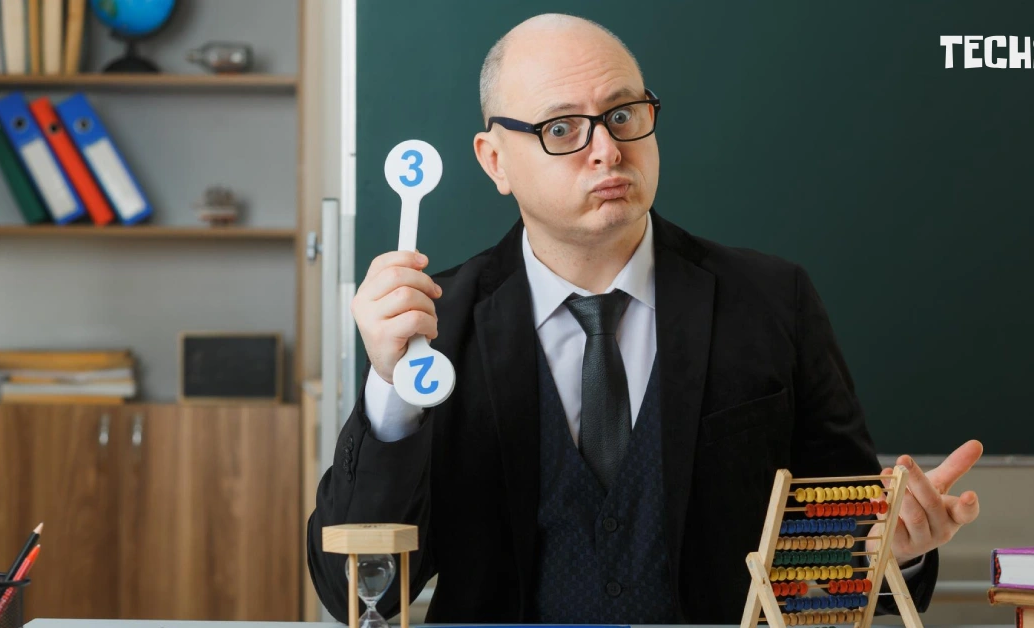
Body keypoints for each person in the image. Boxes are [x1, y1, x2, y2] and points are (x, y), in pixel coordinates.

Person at [307, 13, 982, 625]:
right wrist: (392, 395)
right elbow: (353, 595)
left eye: (624, 114)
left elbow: (847, 550)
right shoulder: (435, 327)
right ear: (495, 160)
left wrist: (900, 550)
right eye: (562, 129)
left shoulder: (773, 301)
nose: (607, 149)